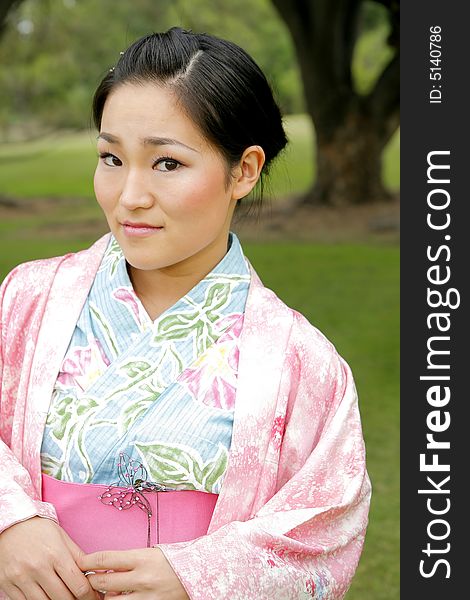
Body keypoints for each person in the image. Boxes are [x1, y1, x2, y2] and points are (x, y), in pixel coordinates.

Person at [0, 27, 371, 600]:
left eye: (167, 163)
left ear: (244, 170)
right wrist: (11, 520)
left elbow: (325, 527)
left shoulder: (303, 361)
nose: (129, 195)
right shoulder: (27, 299)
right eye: (111, 157)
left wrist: (199, 575)